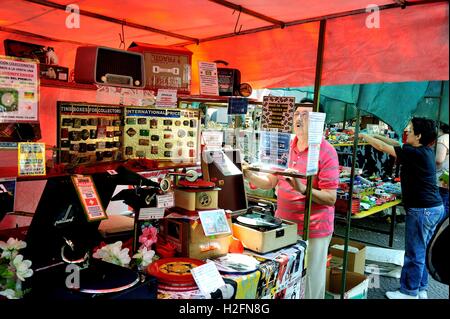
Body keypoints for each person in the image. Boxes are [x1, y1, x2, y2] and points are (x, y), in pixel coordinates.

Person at [243, 100, 339, 299]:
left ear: (318, 121)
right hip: (284, 225)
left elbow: (330, 198)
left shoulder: (326, 151)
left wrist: (302, 188)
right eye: (297, 114)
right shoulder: (285, 146)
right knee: (285, 278)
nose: (299, 118)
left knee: (311, 280)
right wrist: (249, 174)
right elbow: (270, 182)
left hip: (314, 229)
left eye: (306, 115)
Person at [360, 117, 444, 299]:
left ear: (419, 135)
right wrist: (374, 134)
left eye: (411, 130)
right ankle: (421, 289)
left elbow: (383, 148)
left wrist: (363, 136)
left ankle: (409, 292)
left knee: (415, 252)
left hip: (423, 210)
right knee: (422, 250)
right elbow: (395, 143)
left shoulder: (415, 153)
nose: (407, 132)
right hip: (432, 208)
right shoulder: (422, 150)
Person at [435, 123, 449, 221]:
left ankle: (438, 227)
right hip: (447, 175)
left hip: (443, 176)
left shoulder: (444, 138)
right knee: (447, 204)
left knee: (441, 204)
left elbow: (439, 160)